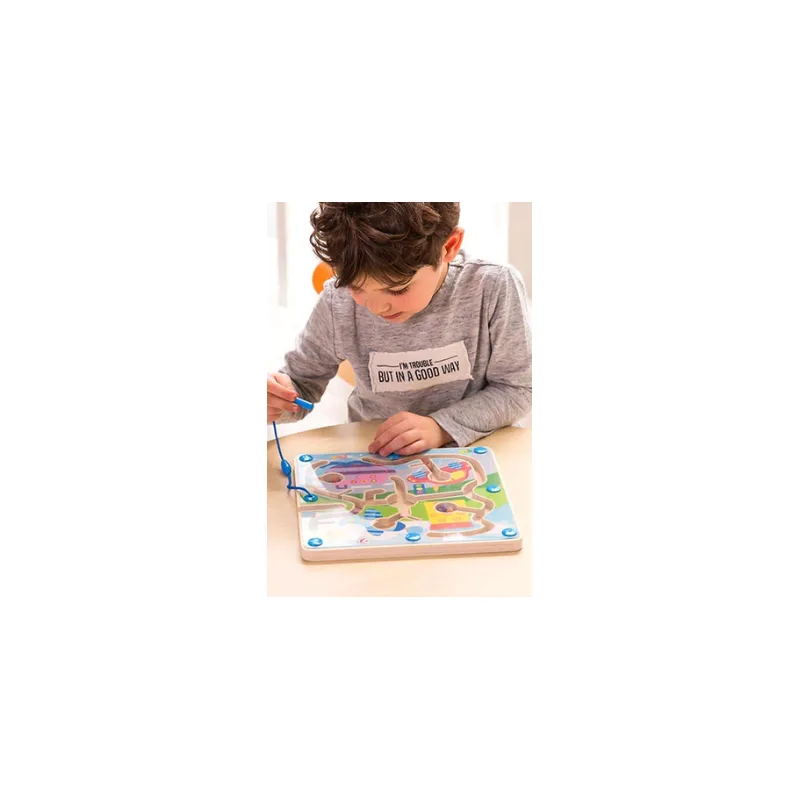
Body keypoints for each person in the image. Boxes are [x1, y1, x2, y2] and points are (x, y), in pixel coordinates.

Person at [267, 202, 531, 457]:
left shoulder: (493, 287)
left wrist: (441, 427)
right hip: (377, 459)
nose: (377, 307)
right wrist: (277, 399)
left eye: (397, 289)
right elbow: (301, 385)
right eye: (357, 287)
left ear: (449, 246)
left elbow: (518, 389)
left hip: (480, 455)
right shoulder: (338, 303)